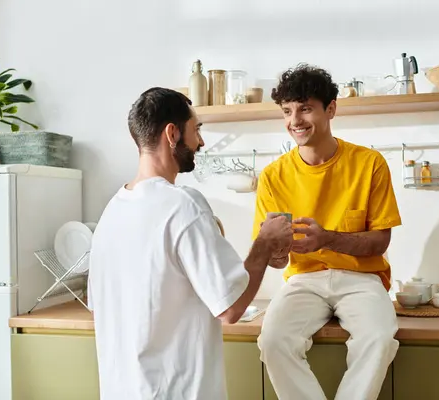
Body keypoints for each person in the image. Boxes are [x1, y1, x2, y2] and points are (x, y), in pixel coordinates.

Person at [87, 87, 293, 400]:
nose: (200, 142)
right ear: (172, 133)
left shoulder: (111, 212)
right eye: (195, 129)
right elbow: (231, 307)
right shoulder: (183, 205)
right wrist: (264, 244)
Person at [252, 65, 402, 400]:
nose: (295, 121)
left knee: (378, 338)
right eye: (287, 111)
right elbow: (274, 260)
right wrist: (274, 251)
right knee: (272, 340)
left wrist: (328, 238)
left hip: (362, 279)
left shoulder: (369, 164)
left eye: (305, 108)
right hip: (303, 280)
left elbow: (381, 241)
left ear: (330, 108)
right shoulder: (274, 176)